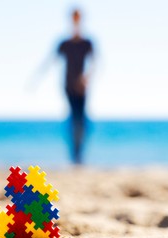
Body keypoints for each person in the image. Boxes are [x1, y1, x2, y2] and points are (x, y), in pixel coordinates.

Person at [57, 8, 94, 164]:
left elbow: (94, 63)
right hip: (68, 85)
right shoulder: (65, 43)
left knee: (82, 121)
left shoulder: (86, 43)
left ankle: (78, 154)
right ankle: (75, 155)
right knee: (74, 119)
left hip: (82, 87)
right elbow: (52, 59)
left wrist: (86, 78)